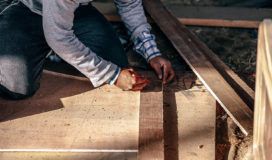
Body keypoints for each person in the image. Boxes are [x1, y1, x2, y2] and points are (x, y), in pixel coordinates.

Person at [0, 0, 175, 100]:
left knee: (117, 64)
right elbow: (59, 37)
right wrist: (112, 75)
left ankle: (55, 53)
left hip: (74, 10)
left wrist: (152, 53)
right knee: (16, 89)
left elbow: (129, 5)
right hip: (27, 9)